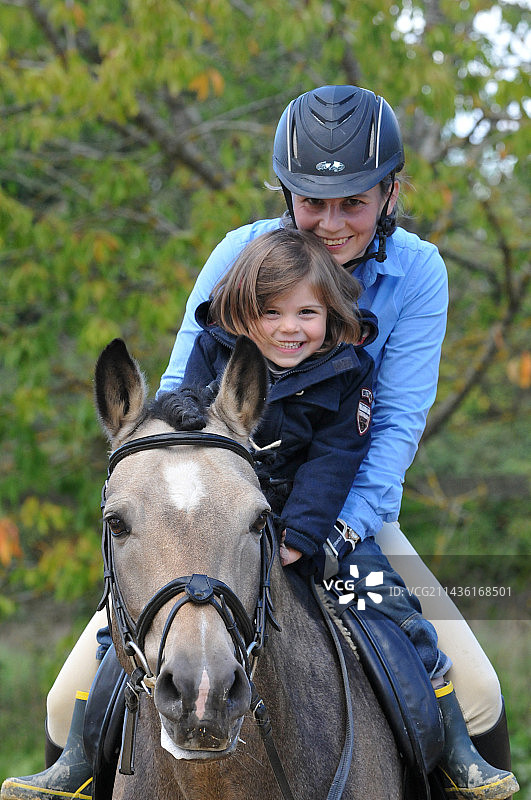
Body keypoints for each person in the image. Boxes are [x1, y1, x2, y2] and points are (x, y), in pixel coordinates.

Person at [1, 85, 517, 800]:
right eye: (312, 203)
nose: (331, 223)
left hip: (342, 509)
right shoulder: (236, 254)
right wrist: (198, 517)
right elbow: (183, 395)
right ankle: (73, 769)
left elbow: (392, 425)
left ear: (391, 191)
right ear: (285, 194)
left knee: (481, 689)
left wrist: (332, 531)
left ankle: (461, 771)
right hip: (210, 515)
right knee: (67, 699)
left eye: (353, 203)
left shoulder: (418, 272)